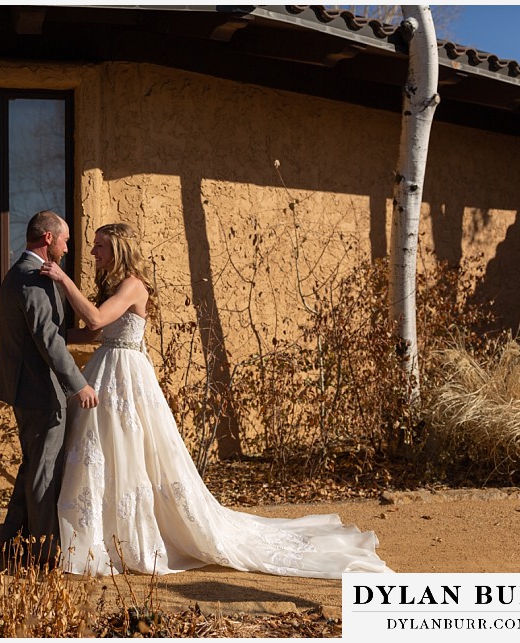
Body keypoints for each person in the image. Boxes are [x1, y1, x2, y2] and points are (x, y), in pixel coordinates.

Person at [40, 222, 392, 578]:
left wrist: (62, 279)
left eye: (100, 246)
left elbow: (97, 316)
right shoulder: (113, 286)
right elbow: (92, 332)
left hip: (127, 376)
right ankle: (97, 533)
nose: (94, 252)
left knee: (131, 451)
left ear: (119, 249)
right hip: (106, 369)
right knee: (102, 453)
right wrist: (42, 334)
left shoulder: (133, 285)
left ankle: (136, 536)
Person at [0, 210, 98, 566]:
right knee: (44, 472)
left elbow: (42, 332)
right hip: (40, 390)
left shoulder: (19, 274)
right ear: (49, 239)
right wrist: (78, 384)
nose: (68, 248)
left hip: (26, 388)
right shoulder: (33, 279)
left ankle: (8, 542)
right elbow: (48, 341)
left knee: (33, 466)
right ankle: (42, 554)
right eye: (65, 240)